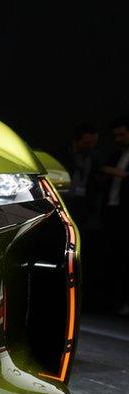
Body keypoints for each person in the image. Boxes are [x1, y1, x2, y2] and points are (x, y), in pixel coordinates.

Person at [101, 116, 129, 315]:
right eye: (116, 135)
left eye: (122, 134)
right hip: (112, 210)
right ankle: (111, 302)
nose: (118, 138)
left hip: (125, 213)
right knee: (112, 256)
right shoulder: (117, 154)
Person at [59, 122, 103, 226]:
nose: (91, 146)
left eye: (94, 142)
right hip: (64, 200)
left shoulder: (95, 156)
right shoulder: (62, 155)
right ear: (75, 142)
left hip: (83, 203)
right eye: (87, 143)